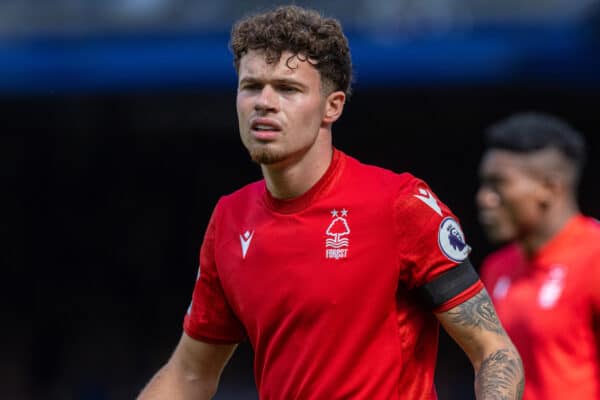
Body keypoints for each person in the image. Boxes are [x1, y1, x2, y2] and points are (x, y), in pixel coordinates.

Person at [138, 5, 523, 399]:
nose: (264, 102)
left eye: (287, 89)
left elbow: (494, 352)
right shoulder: (230, 219)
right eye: (251, 86)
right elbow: (189, 375)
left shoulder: (398, 204)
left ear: (332, 106)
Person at [477, 112, 600, 399]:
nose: (484, 198)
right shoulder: (497, 268)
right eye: (484, 185)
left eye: (498, 184)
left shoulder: (594, 258)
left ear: (549, 188)